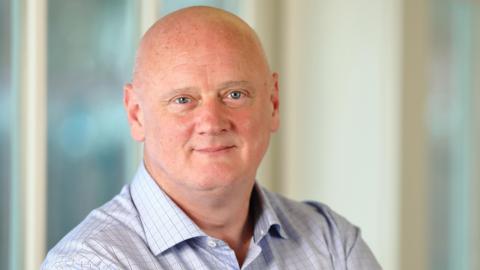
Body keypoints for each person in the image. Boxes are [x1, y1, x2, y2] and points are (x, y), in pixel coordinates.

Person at [42, 6, 381, 270]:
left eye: (234, 94)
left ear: (273, 103)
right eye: (183, 100)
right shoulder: (89, 263)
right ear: (136, 115)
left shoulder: (332, 242)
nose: (211, 122)